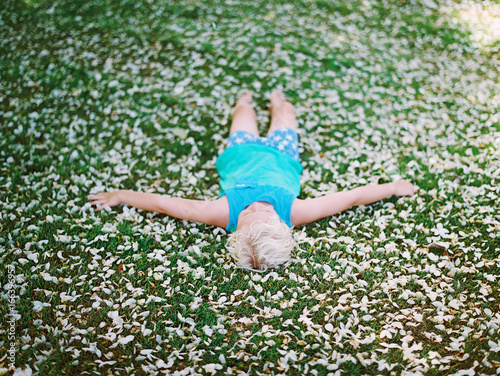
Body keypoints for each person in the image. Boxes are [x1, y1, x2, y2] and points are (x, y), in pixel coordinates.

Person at [89, 90, 415, 271]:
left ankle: (244, 104)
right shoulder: (295, 212)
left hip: (241, 150)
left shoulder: (223, 213)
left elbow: (168, 205)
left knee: (243, 117)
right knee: (287, 114)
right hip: (284, 154)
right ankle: (277, 102)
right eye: (256, 212)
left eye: (246, 215)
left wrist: (121, 195)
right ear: (283, 224)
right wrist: (391, 188)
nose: (251, 207)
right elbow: (351, 198)